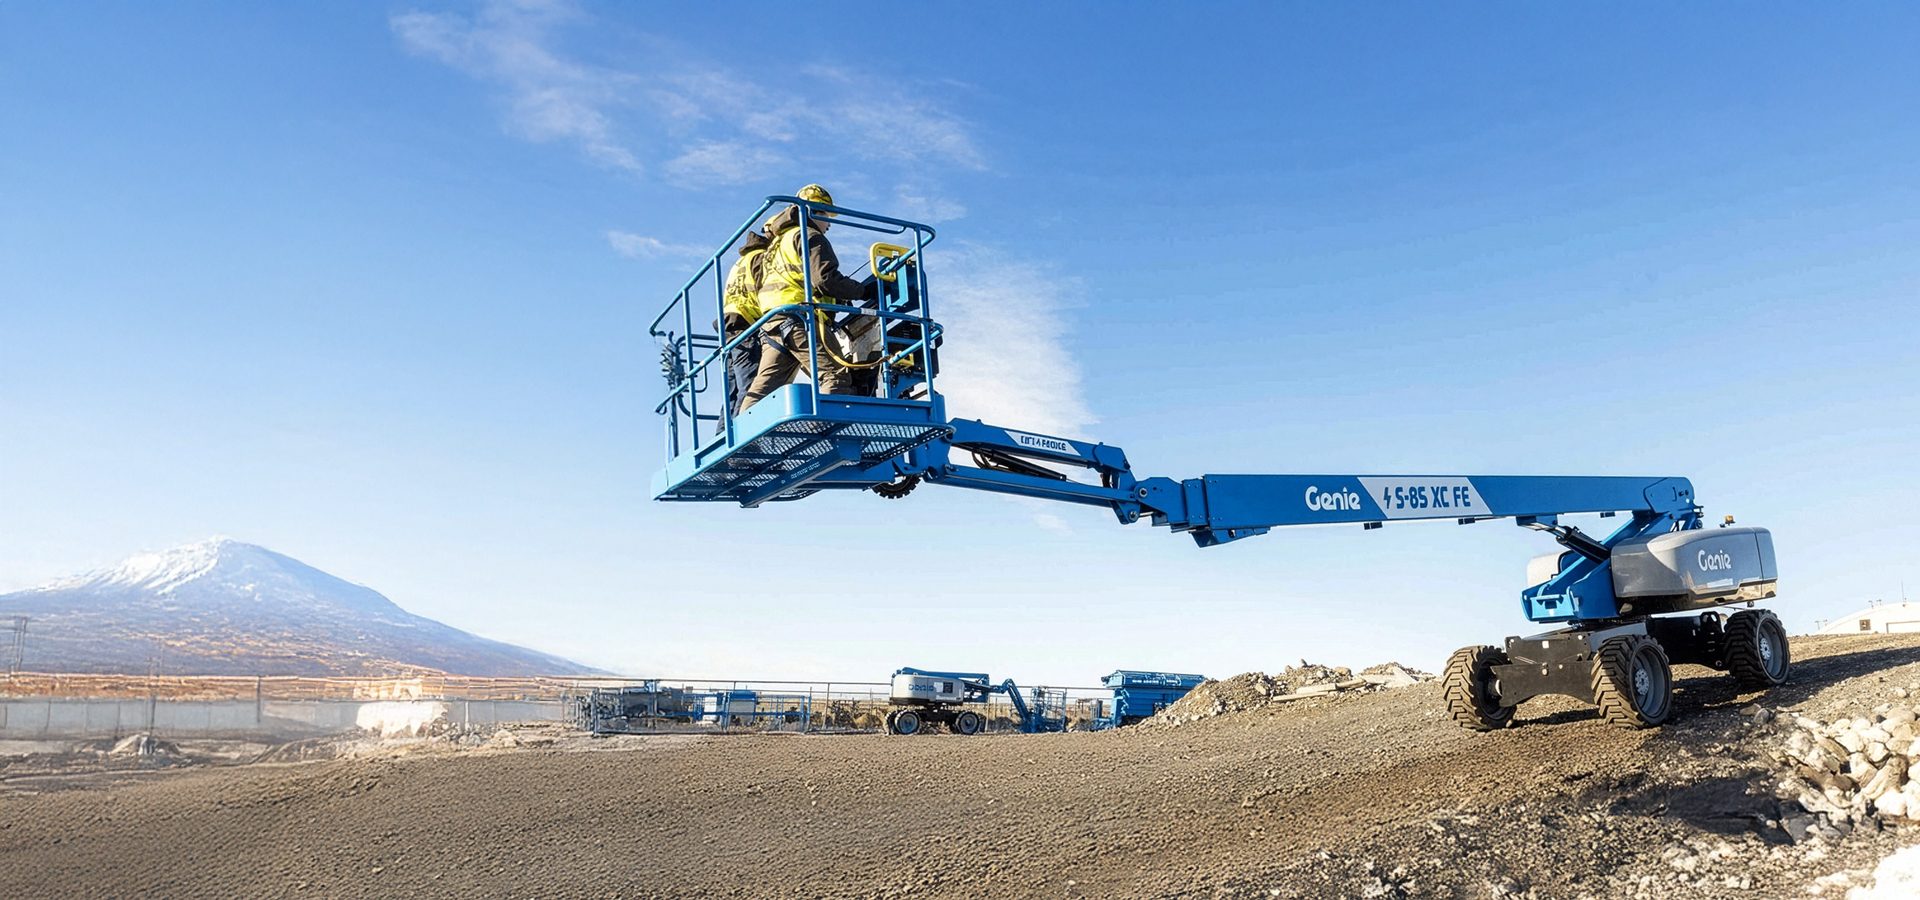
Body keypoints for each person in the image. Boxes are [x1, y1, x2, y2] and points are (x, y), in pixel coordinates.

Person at [739, 184, 872, 410]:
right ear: (814, 211)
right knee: (835, 378)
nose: (829, 224)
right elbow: (824, 280)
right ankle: (829, 434)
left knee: (761, 392)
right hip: (800, 319)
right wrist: (864, 291)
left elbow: (795, 278)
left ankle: (743, 440)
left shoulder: (778, 243)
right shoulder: (810, 235)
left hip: (772, 321)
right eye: (827, 216)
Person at [720, 230, 771, 415]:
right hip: (746, 324)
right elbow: (768, 294)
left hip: (729, 325)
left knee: (732, 391)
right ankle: (743, 433)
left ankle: (724, 436)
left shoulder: (741, 261)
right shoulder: (761, 259)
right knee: (750, 386)